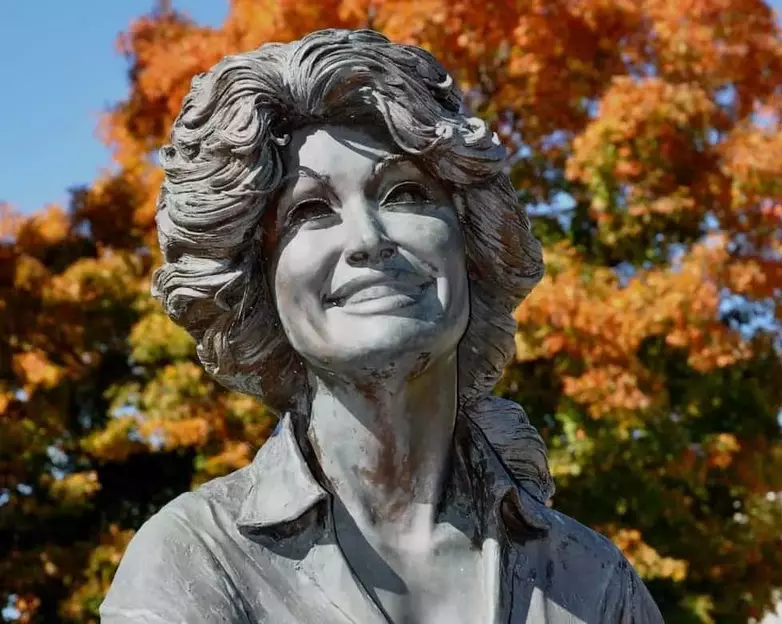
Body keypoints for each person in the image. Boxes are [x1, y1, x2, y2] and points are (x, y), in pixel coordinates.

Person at [100, 28, 664, 624]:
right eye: (309, 211)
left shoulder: (590, 579)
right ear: (256, 281)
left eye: (405, 195)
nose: (368, 240)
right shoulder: (194, 565)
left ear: (472, 247)